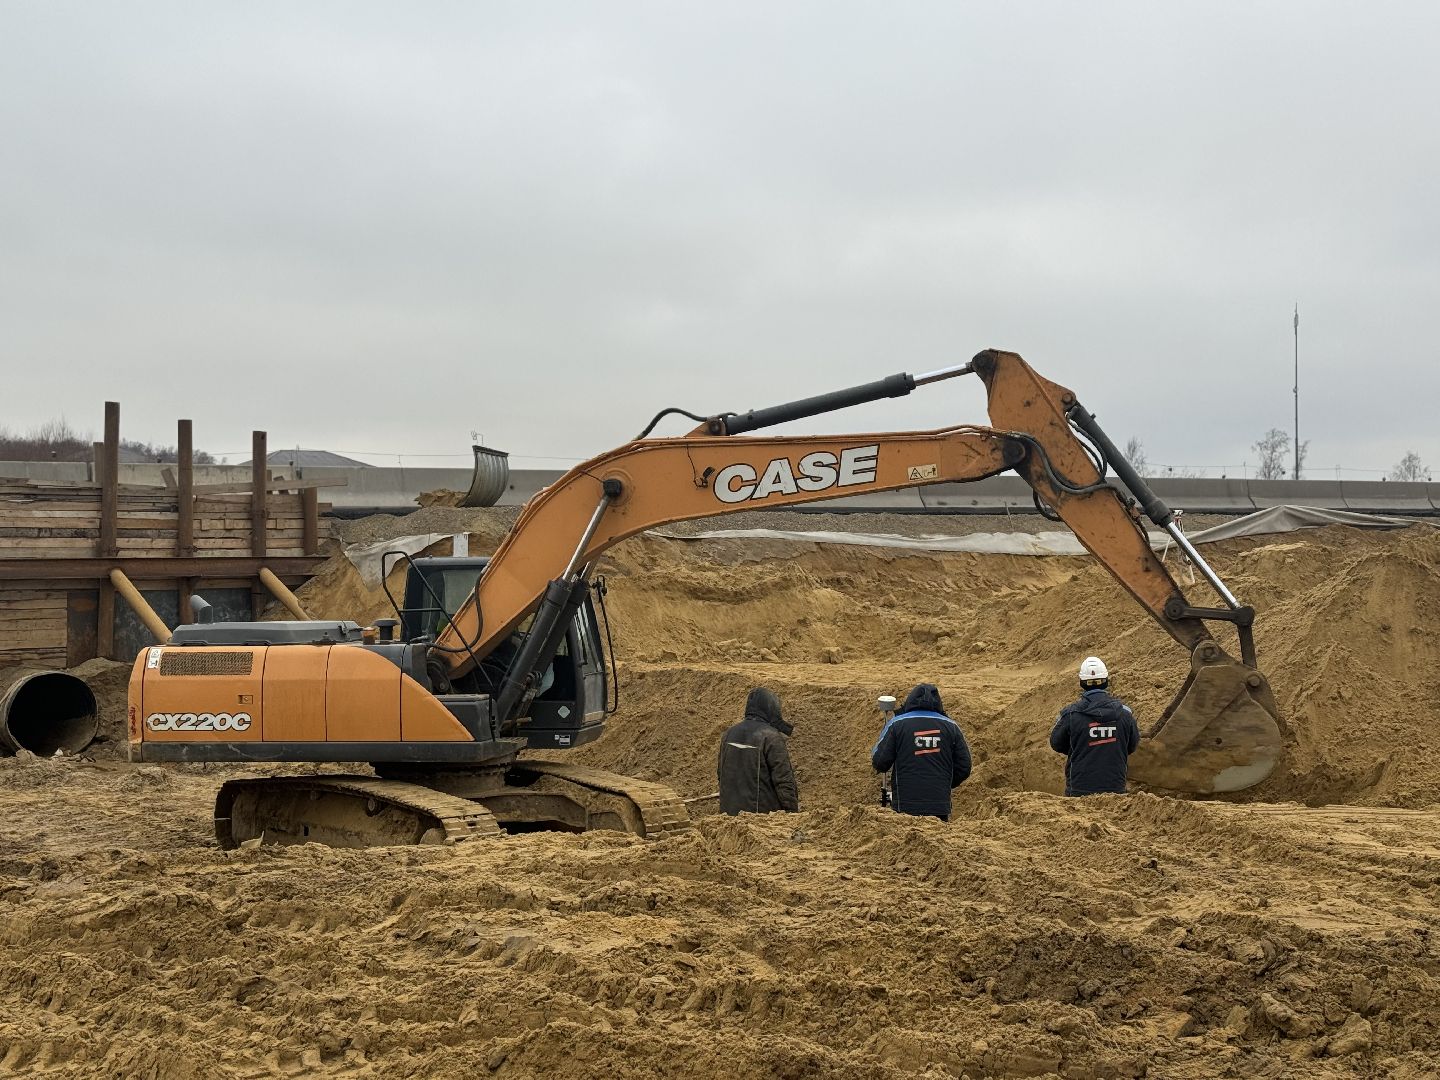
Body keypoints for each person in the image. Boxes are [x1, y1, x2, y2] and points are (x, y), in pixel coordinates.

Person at [870, 683, 971, 821]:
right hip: (939, 805)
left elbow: (880, 761)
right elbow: (964, 767)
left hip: (905, 804)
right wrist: (944, 783)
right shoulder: (951, 726)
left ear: (910, 700)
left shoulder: (896, 724)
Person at [1049, 656, 1140, 796]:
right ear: (1105, 681)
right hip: (1116, 789)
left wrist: (1082, 746)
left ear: (1082, 683)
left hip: (1079, 790)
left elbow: (1056, 744)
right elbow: (1131, 746)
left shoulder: (1070, 715)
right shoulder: (1125, 714)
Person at [717, 687, 800, 816]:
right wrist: (793, 814)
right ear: (771, 709)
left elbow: (720, 775)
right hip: (761, 819)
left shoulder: (728, 734)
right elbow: (784, 781)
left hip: (729, 818)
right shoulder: (771, 737)